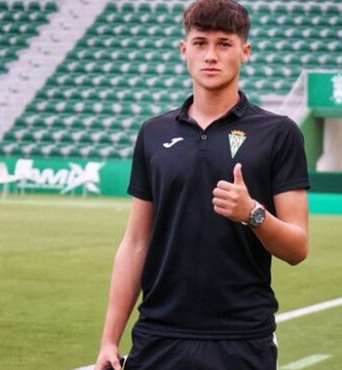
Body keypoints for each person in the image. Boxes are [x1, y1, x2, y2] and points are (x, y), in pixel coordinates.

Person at [94, 0, 310, 369]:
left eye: (224, 44)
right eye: (200, 43)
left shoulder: (279, 133)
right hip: (159, 335)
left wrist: (253, 213)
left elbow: (297, 247)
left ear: (245, 52)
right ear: (184, 50)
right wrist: (109, 340)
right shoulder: (153, 132)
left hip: (242, 338)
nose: (211, 55)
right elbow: (135, 242)